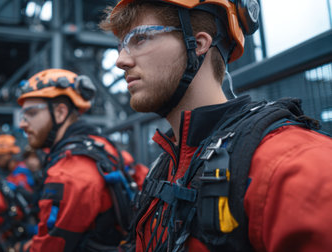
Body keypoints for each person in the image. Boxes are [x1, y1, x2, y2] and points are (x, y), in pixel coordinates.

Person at [100, 0, 332, 251]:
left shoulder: (291, 164)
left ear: (199, 44)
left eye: (140, 38)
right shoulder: (165, 165)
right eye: (121, 45)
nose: (121, 60)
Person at [17, 68, 146, 251]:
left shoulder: (67, 172)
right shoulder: (105, 148)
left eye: (31, 113)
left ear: (60, 112)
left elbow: (51, 247)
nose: (22, 123)